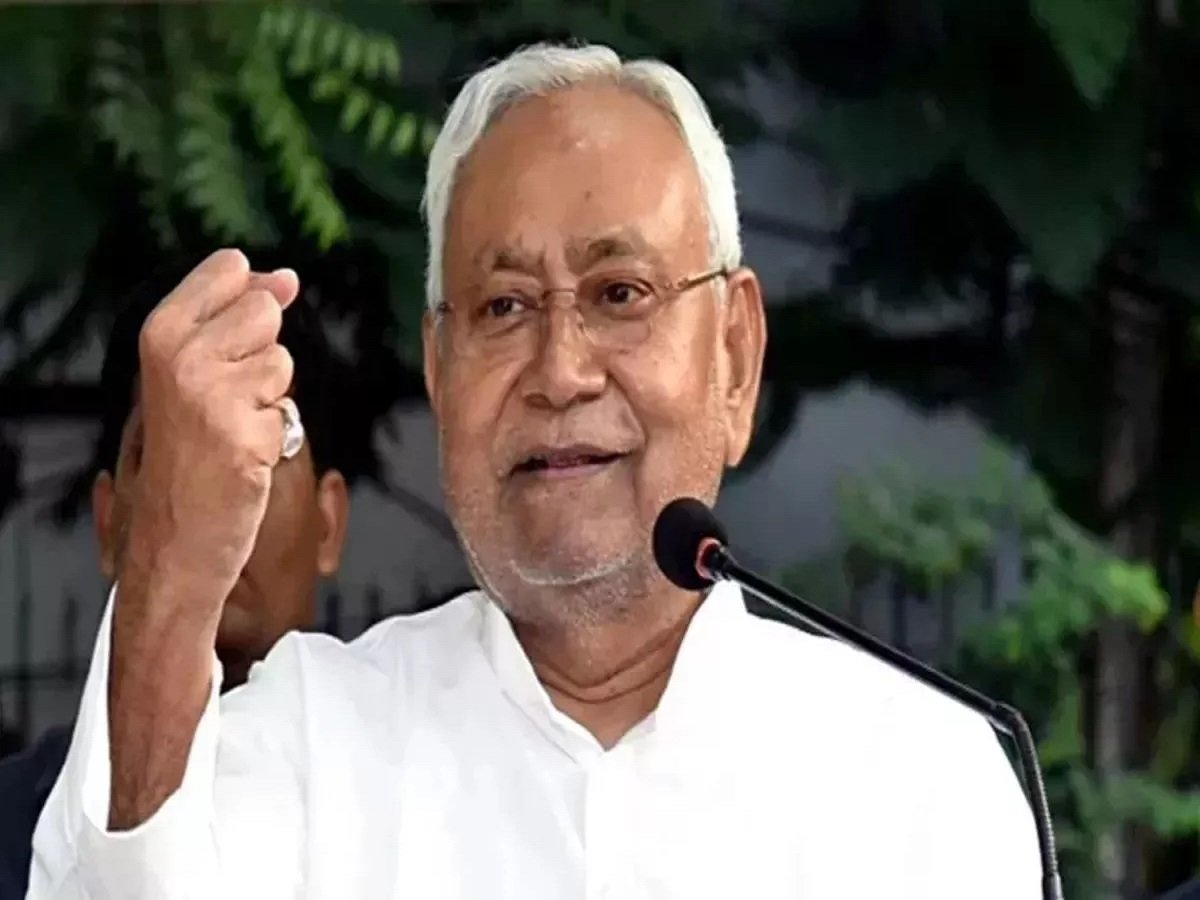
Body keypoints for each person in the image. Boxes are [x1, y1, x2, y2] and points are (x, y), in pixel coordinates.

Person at [28, 43, 1040, 898]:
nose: (561, 371)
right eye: (504, 306)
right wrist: (173, 572)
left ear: (735, 356)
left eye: (620, 293)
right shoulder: (308, 742)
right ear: (439, 371)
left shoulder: (918, 777)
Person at [0, 269, 348, 899]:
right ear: (109, 522)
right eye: (168, 448)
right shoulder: (12, 831)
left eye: (269, 439)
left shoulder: (409, 802)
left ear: (330, 522)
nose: (217, 494)